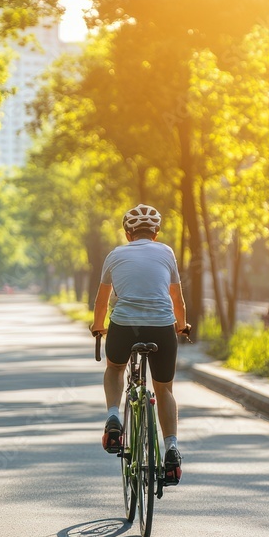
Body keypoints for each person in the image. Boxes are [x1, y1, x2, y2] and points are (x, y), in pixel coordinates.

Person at [90, 204, 189, 486]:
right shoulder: (167, 252)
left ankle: (112, 418)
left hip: (124, 326)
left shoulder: (114, 255)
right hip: (161, 326)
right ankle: (171, 448)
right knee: (164, 388)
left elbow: (101, 301)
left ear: (127, 233)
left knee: (115, 369)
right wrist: (182, 326)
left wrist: (98, 327)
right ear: (156, 233)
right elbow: (176, 299)